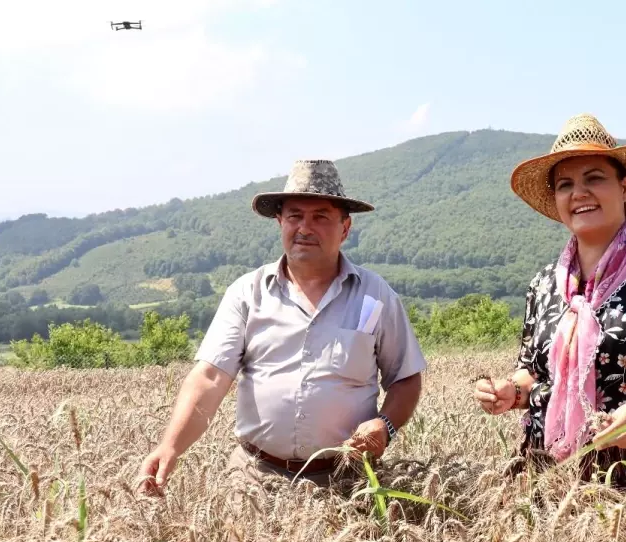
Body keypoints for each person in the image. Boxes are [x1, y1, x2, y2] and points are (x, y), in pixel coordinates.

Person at [138, 159, 426, 493]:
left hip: (348, 481)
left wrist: (385, 425)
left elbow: (405, 378)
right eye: (295, 216)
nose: (305, 227)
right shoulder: (247, 293)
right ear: (280, 223)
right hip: (254, 479)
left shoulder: (375, 297)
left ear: (345, 229)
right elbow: (210, 377)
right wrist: (170, 446)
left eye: (320, 217)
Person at [473, 114, 626, 505]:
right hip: (547, 465)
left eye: (594, 178)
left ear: (624, 186)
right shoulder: (544, 285)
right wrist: (511, 391)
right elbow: (533, 370)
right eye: (565, 184)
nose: (579, 193)